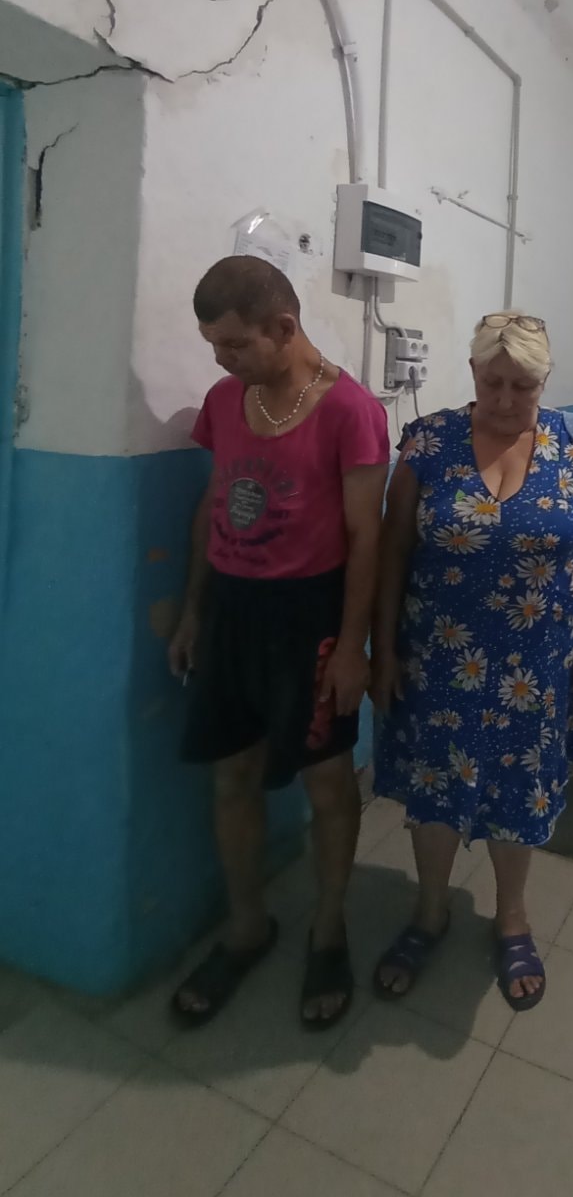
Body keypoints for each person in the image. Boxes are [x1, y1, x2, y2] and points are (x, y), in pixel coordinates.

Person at [371, 312, 573, 1010]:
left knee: (521, 792)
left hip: (534, 670)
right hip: (437, 662)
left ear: (546, 381)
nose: (508, 399)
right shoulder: (429, 443)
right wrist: (382, 648)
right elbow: (393, 550)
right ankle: (429, 910)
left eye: (524, 386)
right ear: (473, 374)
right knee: (433, 790)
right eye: (494, 383)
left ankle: (511, 917)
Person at [167, 256, 388, 1029]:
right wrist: (194, 610)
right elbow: (213, 501)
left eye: (234, 345)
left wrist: (354, 648)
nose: (221, 361)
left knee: (327, 783)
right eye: (213, 346)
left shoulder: (350, 411)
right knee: (232, 774)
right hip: (233, 612)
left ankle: (328, 929)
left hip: (311, 619)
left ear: (284, 328)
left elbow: (366, 538)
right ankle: (246, 926)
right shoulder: (225, 402)